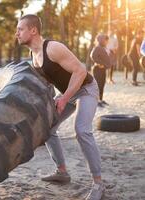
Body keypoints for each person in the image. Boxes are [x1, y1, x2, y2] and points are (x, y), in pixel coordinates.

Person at [15, 14, 104, 200]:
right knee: (47, 128)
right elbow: (46, 85)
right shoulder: (34, 56)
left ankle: (98, 183)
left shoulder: (53, 48)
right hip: (67, 93)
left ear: (33, 30)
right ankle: (62, 172)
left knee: (82, 131)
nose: (17, 33)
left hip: (86, 88)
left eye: (20, 29)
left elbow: (80, 71)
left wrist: (64, 99)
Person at [90, 34, 111, 107]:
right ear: (101, 40)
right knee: (98, 85)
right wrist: (98, 63)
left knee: (102, 84)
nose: (106, 42)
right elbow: (92, 56)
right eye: (105, 40)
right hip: (98, 69)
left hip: (103, 69)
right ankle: (97, 100)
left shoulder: (103, 48)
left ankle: (101, 99)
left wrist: (105, 65)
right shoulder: (97, 48)